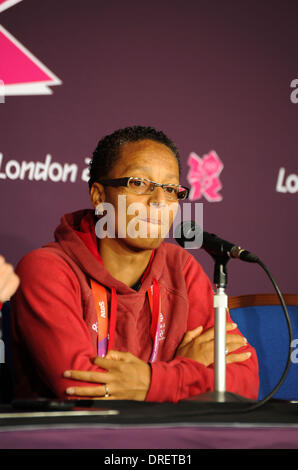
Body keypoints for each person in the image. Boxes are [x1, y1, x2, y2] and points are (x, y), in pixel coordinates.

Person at [10, 126, 259, 402]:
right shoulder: (46, 269)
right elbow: (81, 386)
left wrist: (153, 381)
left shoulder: (182, 268)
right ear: (99, 196)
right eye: (139, 183)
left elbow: (243, 381)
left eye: (170, 189)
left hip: (169, 441)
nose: (158, 202)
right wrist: (184, 369)